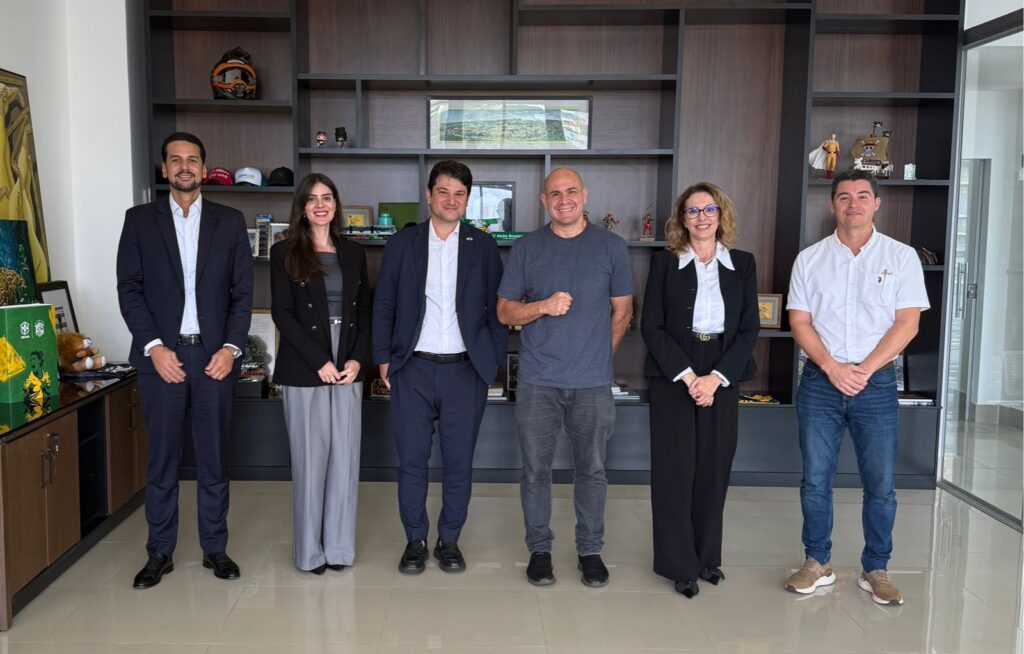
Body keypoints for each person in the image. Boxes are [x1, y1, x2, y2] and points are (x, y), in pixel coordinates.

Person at [784, 169, 929, 605]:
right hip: (820, 382)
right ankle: (817, 562)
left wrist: (863, 369)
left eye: (863, 196)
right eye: (844, 197)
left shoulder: (901, 257)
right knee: (815, 479)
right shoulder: (809, 259)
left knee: (880, 482)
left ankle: (876, 568)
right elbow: (799, 321)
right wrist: (832, 367)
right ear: (833, 204)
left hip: (876, 383)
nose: (853, 204)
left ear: (876, 203)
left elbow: (908, 322)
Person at [116, 132, 253, 589]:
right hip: (162, 359)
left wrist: (231, 349)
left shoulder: (229, 222)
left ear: (204, 168)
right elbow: (129, 289)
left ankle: (215, 549)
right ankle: (159, 553)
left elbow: (242, 293)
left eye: (192, 159)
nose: (184, 167)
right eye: (175, 160)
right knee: (162, 462)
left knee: (214, 460)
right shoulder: (139, 221)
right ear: (164, 169)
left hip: (214, 358)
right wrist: (154, 347)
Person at [497, 167, 634, 588]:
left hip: (592, 383)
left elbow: (623, 311)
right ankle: (539, 550)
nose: (563, 200)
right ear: (544, 201)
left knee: (591, 470)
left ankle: (590, 551)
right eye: (554, 194)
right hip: (538, 381)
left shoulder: (611, 247)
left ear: (585, 195)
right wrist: (543, 306)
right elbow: (505, 311)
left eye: (571, 191)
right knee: (535, 471)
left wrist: (598, 356)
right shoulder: (527, 248)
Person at [372, 160, 507, 574]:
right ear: (429, 195)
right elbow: (384, 302)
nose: (451, 200)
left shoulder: (483, 246)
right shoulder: (403, 243)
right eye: (443, 191)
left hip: (465, 372)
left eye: (459, 194)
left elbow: (497, 311)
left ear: (467, 200)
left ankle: (449, 541)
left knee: (458, 462)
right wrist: (383, 357)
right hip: (412, 368)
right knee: (412, 461)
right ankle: (415, 540)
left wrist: (491, 361)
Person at [641, 182, 759, 598]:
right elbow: (651, 326)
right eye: (692, 211)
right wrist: (690, 377)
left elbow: (749, 328)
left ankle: (707, 557)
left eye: (709, 209)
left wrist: (715, 378)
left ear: (721, 214)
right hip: (674, 370)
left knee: (713, 467)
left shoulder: (742, 263)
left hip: (723, 368)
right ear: (682, 219)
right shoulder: (664, 262)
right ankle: (679, 564)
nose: (702, 217)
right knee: (674, 470)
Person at [270, 173, 370, 575]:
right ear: (302, 207)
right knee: (311, 463)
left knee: (345, 459)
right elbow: (283, 314)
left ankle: (340, 549)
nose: (320, 205)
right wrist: (319, 361)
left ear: (336, 204)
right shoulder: (284, 252)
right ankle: (310, 553)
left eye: (327, 197)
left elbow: (364, 310)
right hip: (305, 362)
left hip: (347, 361)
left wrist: (357, 359)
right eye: (312, 199)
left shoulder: (353, 251)